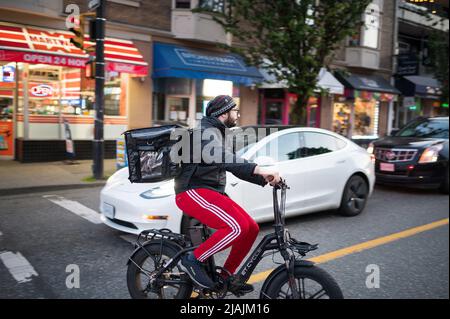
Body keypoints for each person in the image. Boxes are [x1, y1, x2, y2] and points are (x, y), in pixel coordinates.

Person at [174, 95, 281, 294]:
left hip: (211, 192)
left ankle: (225, 277)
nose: (237, 114)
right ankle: (193, 260)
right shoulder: (204, 133)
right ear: (224, 113)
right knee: (235, 227)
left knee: (250, 228)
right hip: (192, 191)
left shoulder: (220, 133)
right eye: (234, 110)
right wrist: (258, 168)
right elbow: (223, 157)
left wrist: (263, 178)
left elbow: (232, 164)